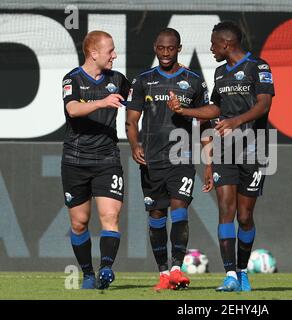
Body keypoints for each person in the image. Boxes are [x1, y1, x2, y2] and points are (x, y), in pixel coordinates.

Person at [167, 21, 275, 292]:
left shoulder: (258, 67)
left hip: (254, 148)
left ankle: (242, 271)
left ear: (227, 44)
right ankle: (230, 276)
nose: (211, 48)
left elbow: (264, 104)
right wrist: (184, 111)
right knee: (225, 211)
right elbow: (216, 108)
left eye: (214, 44)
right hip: (226, 149)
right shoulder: (219, 73)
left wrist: (237, 121)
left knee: (245, 216)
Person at [126, 28, 210, 291]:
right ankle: (163, 272)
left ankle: (177, 269)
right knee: (157, 215)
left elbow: (206, 121)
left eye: (170, 48)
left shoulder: (194, 81)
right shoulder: (142, 81)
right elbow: (130, 120)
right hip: (151, 160)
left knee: (180, 208)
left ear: (179, 48)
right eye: (161, 48)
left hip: (181, 158)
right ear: (155, 47)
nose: (165, 53)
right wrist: (133, 144)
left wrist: (209, 163)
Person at [61, 30, 130, 289]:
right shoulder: (73, 79)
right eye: (110, 50)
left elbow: (138, 101)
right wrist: (101, 102)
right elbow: (72, 109)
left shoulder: (119, 80)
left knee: (110, 217)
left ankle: (106, 269)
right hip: (75, 160)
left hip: (107, 159)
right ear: (93, 53)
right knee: (79, 223)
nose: (115, 55)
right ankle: (88, 273)